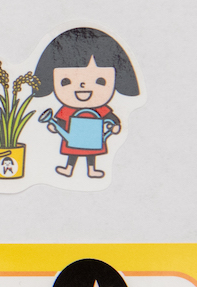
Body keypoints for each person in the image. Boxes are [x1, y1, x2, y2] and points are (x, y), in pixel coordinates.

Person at [33, 28, 140, 180]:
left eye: (100, 81)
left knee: (91, 153)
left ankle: (91, 169)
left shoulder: (100, 109)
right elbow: (61, 120)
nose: (82, 86)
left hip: (91, 138)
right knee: (73, 152)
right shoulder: (67, 110)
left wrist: (115, 125)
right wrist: (54, 125)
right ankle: (69, 168)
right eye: (66, 81)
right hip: (76, 138)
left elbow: (110, 116)